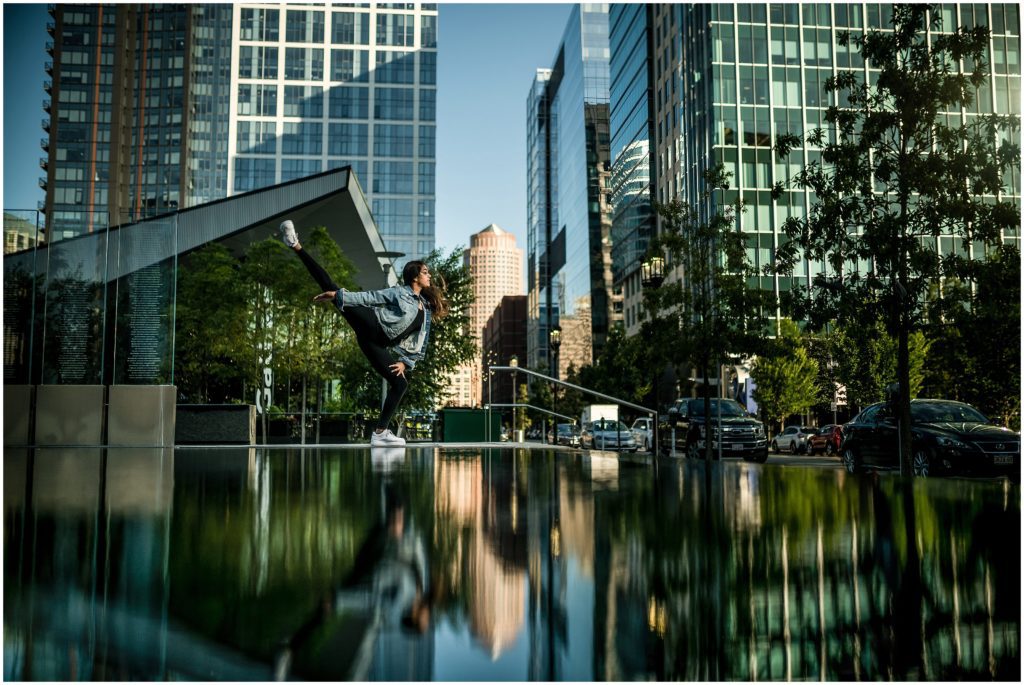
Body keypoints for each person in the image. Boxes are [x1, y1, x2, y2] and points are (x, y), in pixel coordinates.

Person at [279, 219, 449, 446]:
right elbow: (370, 297)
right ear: (415, 276)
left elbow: (418, 342)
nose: (429, 276)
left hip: (375, 344)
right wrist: (339, 297)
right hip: (372, 324)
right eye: (426, 272)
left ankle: (380, 433)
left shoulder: (425, 310)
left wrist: (405, 363)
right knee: (332, 286)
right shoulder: (400, 292)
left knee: (400, 384)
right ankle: (295, 244)